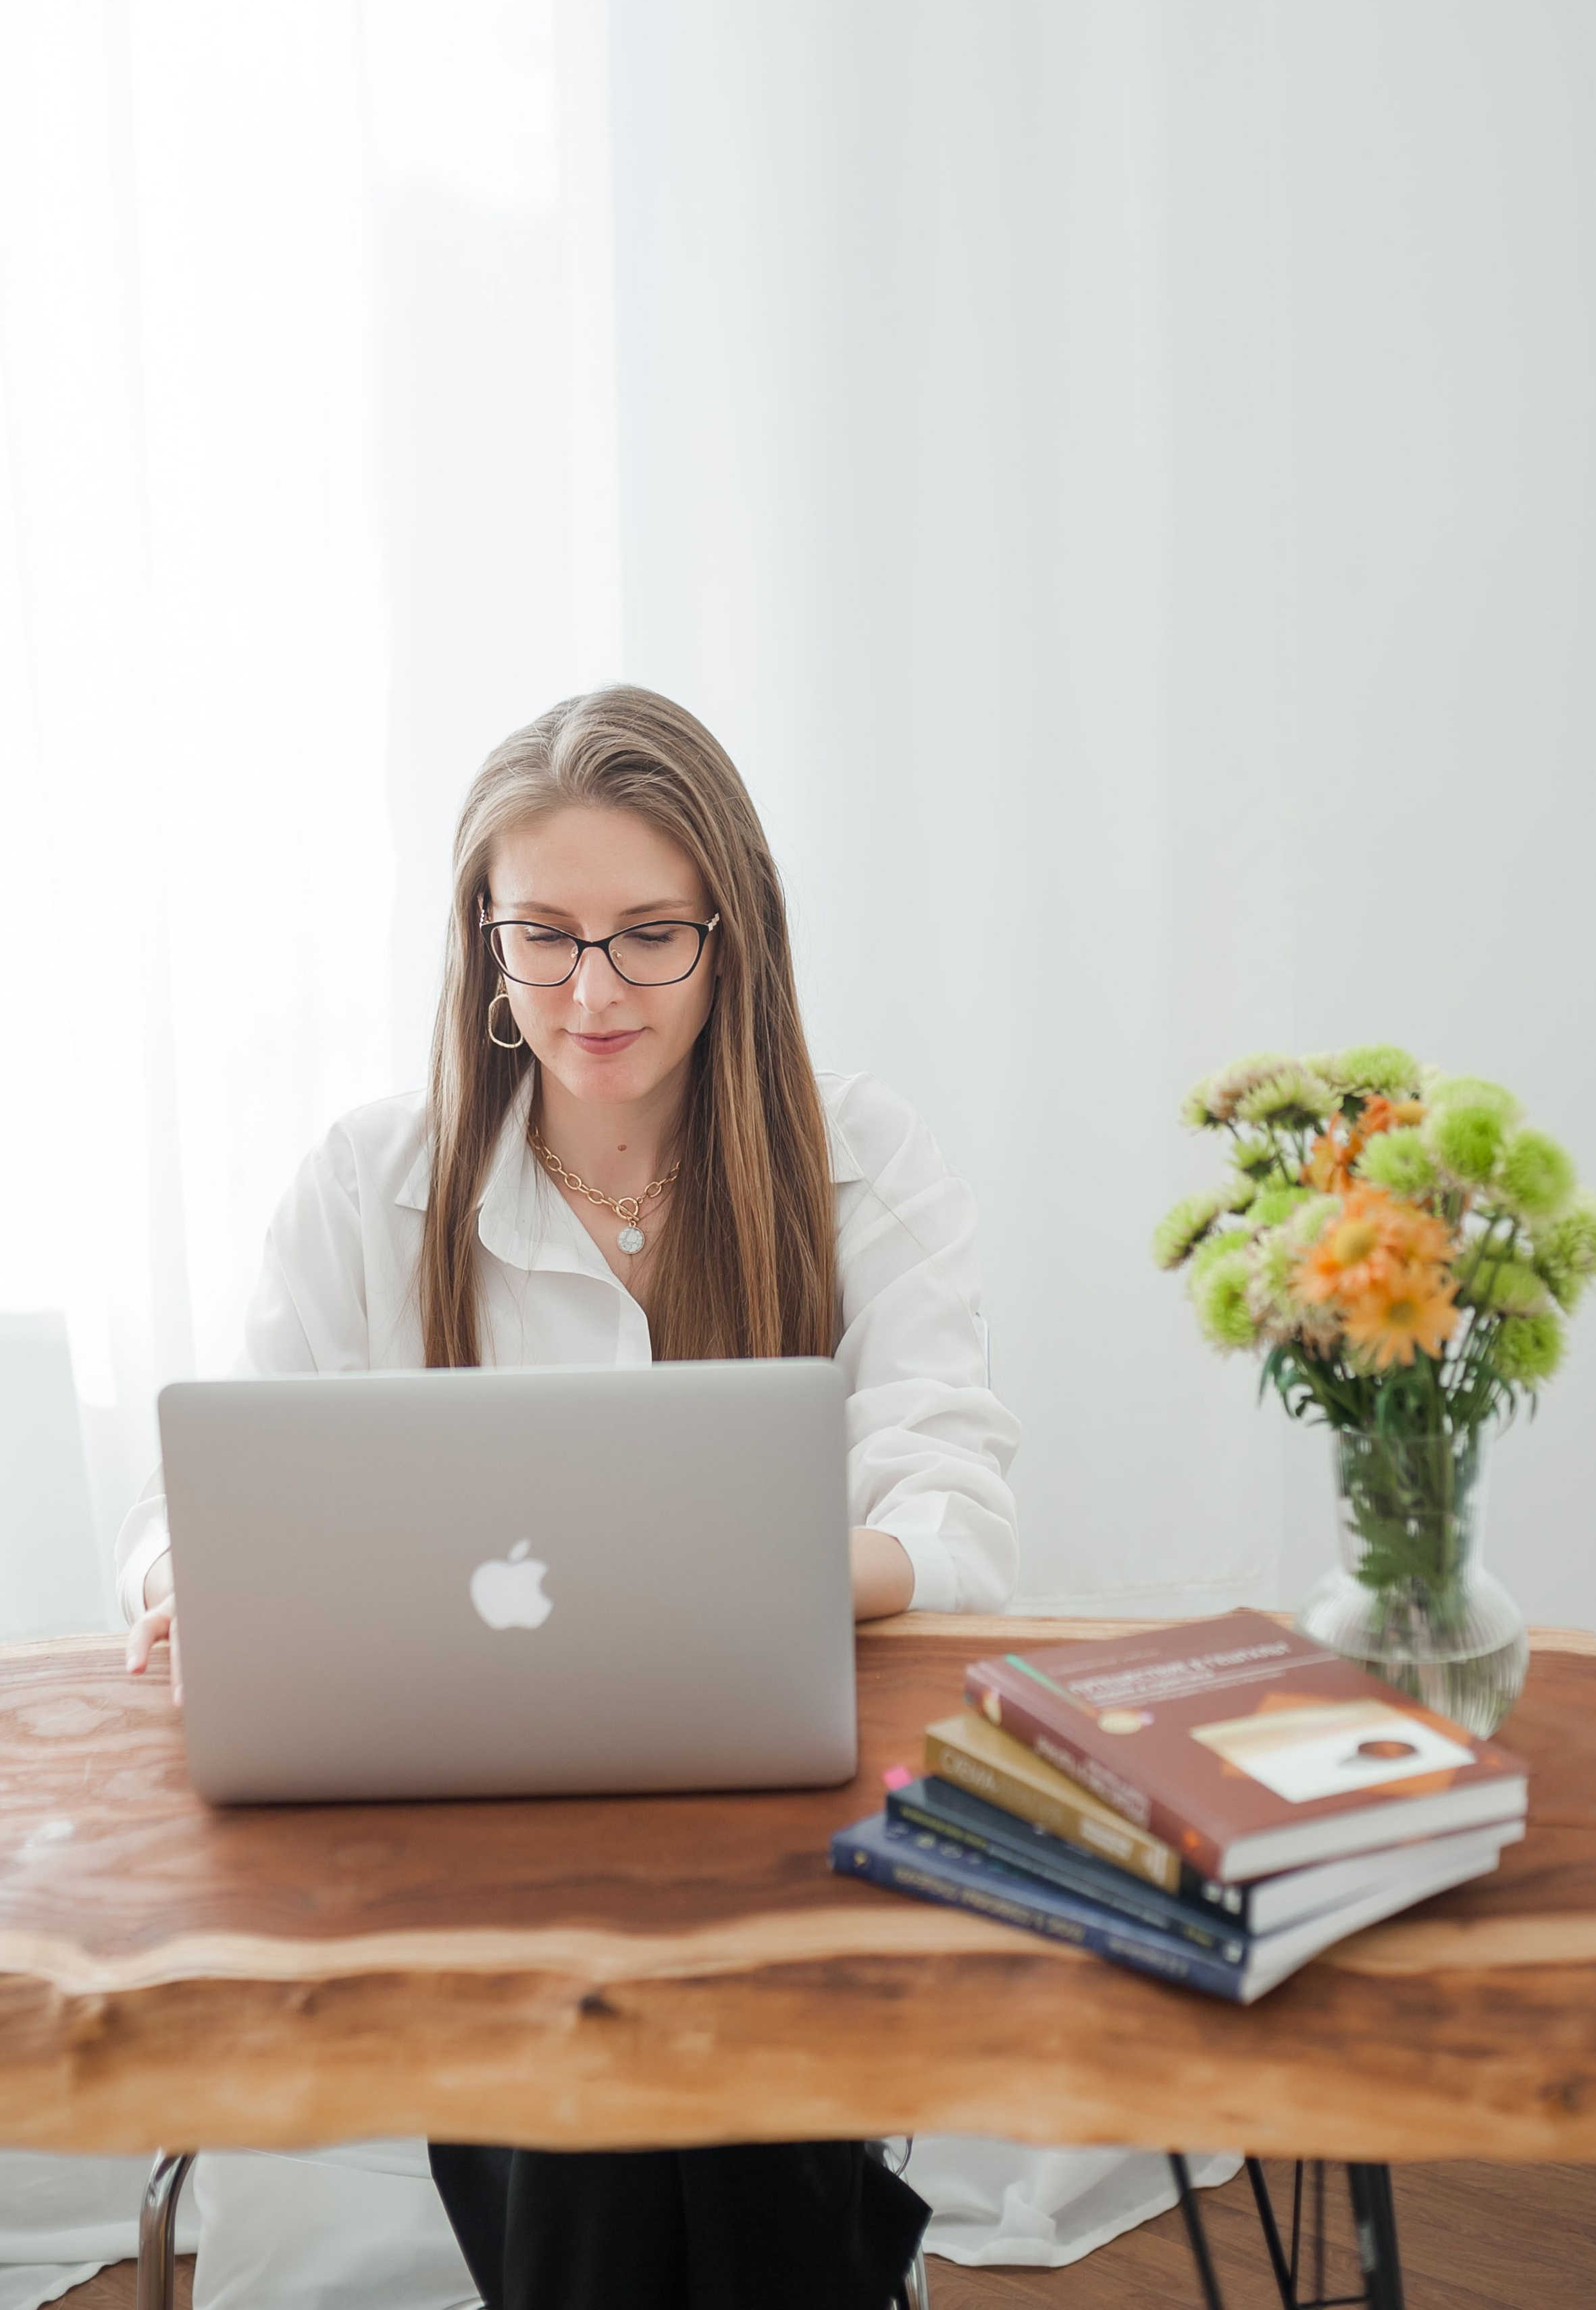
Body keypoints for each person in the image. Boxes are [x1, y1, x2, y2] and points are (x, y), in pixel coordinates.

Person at [121, 684, 1020, 2310]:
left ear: (728, 934)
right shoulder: (368, 1180)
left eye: (645, 934)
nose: (590, 990)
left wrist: (723, 1584)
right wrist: (197, 1581)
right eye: (541, 935)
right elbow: (201, 1497)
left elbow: (953, 1509)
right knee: (596, 2035)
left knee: (657, 2040)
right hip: (458, 1823)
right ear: (482, 943)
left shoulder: (860, 1158)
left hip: (759, 1804)